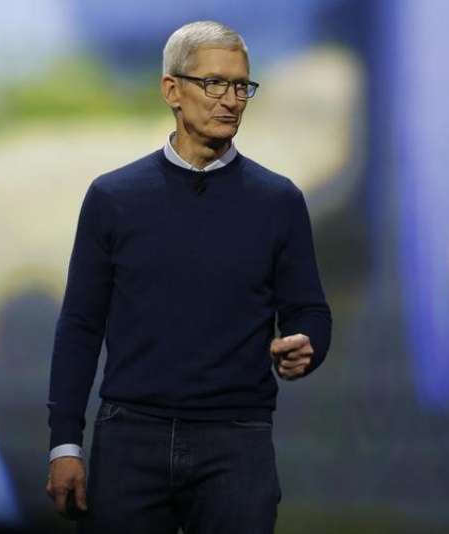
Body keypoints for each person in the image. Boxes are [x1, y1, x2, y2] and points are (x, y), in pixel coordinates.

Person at [45, 20, 332, 534]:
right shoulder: (115, 198)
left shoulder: (278, 201)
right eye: (214, 83)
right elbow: (81, 325)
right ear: (171, 90)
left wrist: (308, 343)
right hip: (130, 437)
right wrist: (65, 442)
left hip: (235, 442)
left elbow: (309, 308)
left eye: (242, 85)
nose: (231, 100)